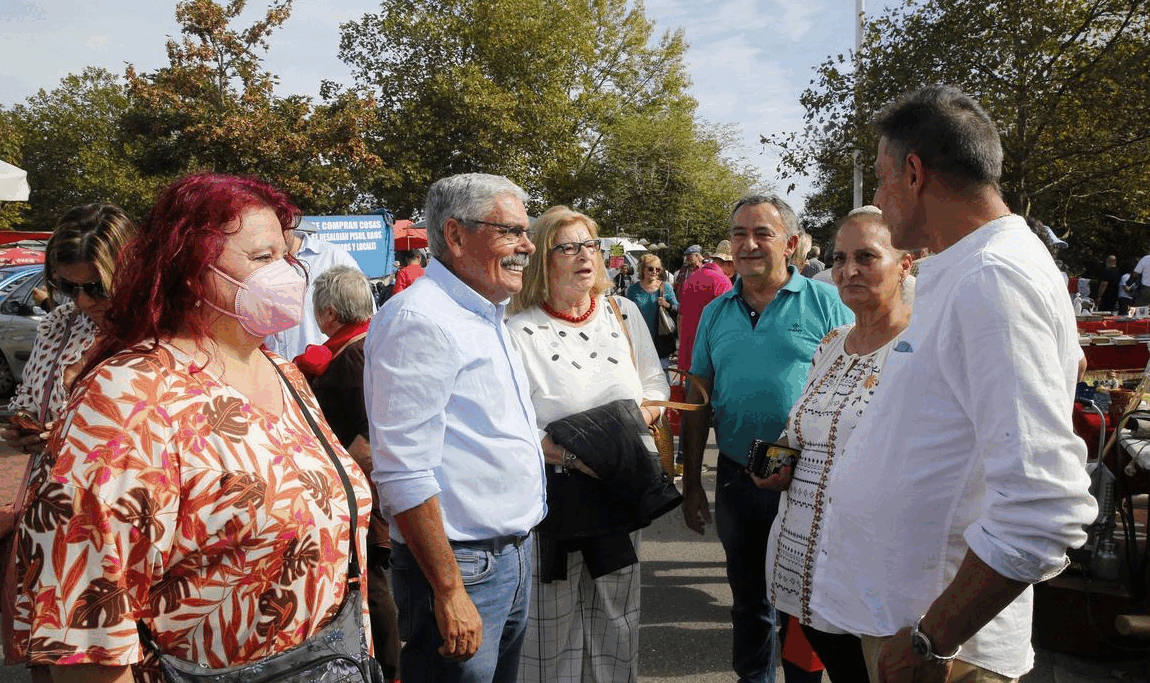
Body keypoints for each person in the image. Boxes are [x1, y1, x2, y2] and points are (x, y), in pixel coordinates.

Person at [8, 173, 374, 682]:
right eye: (262, 257)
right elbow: (88, 636)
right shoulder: (127, 399)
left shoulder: (280, 371)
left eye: (286, 256)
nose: (288, 275)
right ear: (188, 270)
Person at [812, 85, 1096, 683]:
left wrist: (931, 637)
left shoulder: (994, 278)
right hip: (912, 626)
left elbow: (1043, 506)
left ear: (914, 173)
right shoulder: (970, 267)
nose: (879, 203)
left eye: (883, 180)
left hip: (941, 649)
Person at [364, 173, 546, 683]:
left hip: (507, 557)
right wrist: (448, 590)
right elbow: (403, 474)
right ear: (456, 235)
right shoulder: (421, 320)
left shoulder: (485, 314)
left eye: (524, 231)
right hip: (462, 569)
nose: (527, 245)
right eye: (510, 231)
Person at [680, 194, 853, 683]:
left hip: (811, 480)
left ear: (792, 244)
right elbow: (698, 403)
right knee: (749, 600)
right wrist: (691, 483)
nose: (748, 244)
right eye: (739, 234)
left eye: (762, 233)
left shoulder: (829, 304)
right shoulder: (715, 313)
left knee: (805, 605)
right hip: (738, 474)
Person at [507, 206, 672, 683]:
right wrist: (576, 455)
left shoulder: (623, 313)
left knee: (616, 623)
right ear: (543, 260)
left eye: (591, 245)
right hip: (553, 500)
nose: (586, 256)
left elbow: (654, 384)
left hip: (619, 490)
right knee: (548, 630)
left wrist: (624, 426)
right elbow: (515, 426)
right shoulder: (517, 332)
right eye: (569, 247)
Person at [756, 205, 912, 682]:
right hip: (800, 564)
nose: (849, 270)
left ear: (905, 263)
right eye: (842, 258)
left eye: (867, 256)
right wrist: (775, 458)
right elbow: (802, 428)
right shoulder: (831, 343)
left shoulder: (922, 348)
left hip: (870, 577)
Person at [1, 204, 138, 676]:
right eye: (67, 286)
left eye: (95, 288)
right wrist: (25, 424)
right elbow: (31, 397)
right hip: (51, 513)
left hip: (121, 525)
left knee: (112, 659)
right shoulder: (61, 326)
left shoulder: (154, 334)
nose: (81, 301)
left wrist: (63, 438)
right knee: (51, 655)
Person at [301, 265, 401, 682]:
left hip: (362, 493)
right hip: (364, 491)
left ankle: (390, 670)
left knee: (373, 582)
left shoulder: (354, 352)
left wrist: (334, 477)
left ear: (329, 313)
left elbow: (368, 436)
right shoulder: (361, 345)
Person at [265, 218, 365, 360]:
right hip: (274, 373)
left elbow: (363, 323)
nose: (273, 235)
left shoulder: (333, 258)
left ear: (292, 222)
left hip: (324, 373)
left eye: (280, 226)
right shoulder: (255, 262)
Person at [677, 240, 734, 380]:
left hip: (688, 355)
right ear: (729, 263)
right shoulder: (723, 281)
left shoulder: (691, 278)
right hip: (709, 360)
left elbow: (681, 316)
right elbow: (727, 324)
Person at [626, 253, 678, 367]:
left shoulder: (666, 287)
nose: (654, 271)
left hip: (661, 340)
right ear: (642, 270)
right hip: (640, 340)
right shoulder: (633, 290)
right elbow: (627, 314)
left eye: (657, 269)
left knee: (663, 377)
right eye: (650, 268)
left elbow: (678, 308)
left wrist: (667, 305)